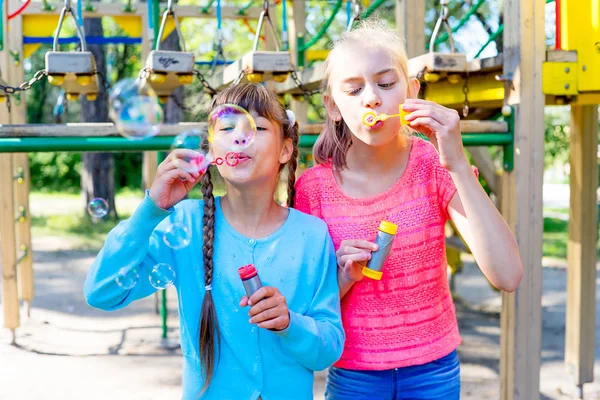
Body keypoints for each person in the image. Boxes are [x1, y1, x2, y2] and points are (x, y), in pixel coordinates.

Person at [295, 20, 523, 400]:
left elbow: (508, 274)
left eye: (386, 84)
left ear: (412, 91)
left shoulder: (432, 166)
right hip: (354, 375)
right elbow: (307, 305)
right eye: (353, 89)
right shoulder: (313, 189)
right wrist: (344, 278)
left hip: (434, 373)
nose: (371, 98)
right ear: (334, 107)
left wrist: (457, 166)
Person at [84, 83, 344, 400]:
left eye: (258, 127)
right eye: (227, 127)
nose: (239, 136)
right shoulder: (186, 224)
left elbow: (327, 350)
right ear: (211, 151)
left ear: (285, 150)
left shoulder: (313, 235)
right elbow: (102, 292)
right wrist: (152, 209)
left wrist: (291, 323)